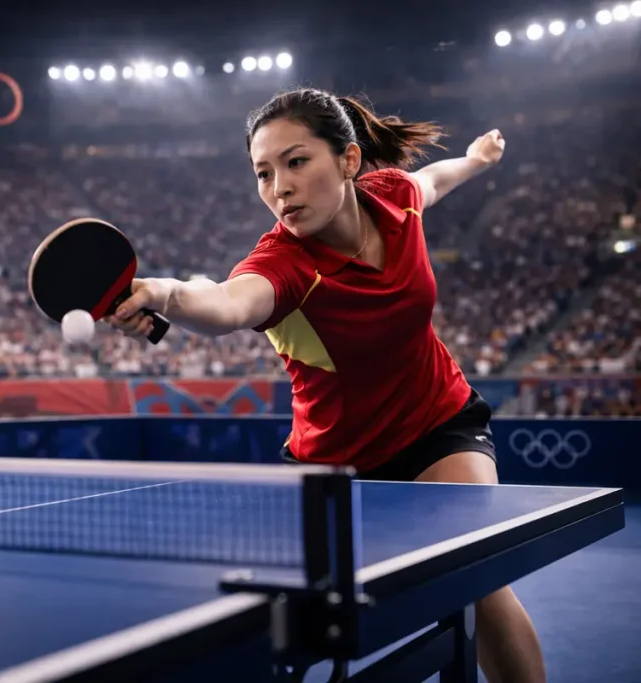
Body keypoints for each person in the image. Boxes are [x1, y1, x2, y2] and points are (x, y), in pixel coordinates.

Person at [104, 87, 545, 683]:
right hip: (335, 465)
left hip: (437, 425)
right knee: (286, 632)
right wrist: (162, 292)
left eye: (295, 161)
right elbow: (225, 305)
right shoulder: (282, 264)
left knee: (483, 577)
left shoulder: (394, 199)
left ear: (349, 161)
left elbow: (435, 180)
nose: (278, 187)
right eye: (263, 173)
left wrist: (476, 159)